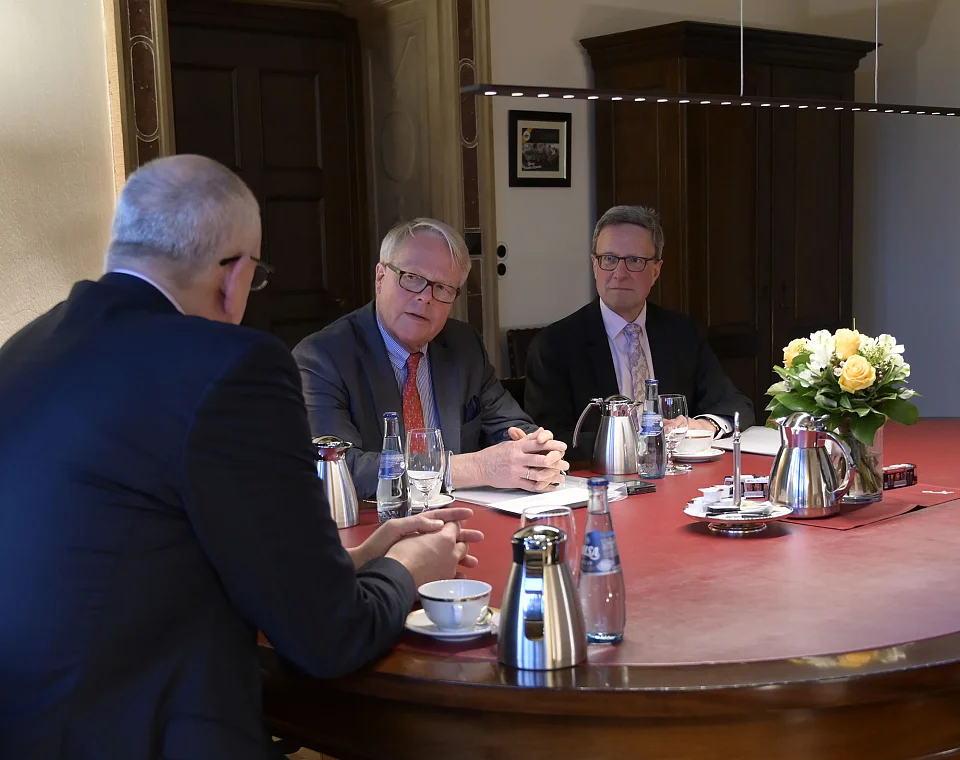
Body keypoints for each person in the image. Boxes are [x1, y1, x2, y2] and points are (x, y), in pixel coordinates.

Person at [0, 155, 483, 760]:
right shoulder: (235, 366)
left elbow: (155, 544)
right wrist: (410, 568)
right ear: (233, 274)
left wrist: (352, 560)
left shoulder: (25, 348)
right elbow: (329, 638)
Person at [293, 218, 569, 500]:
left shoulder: (464, 345)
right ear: (380, 277)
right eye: (412, 278)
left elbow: (512, 428)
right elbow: (337, 467)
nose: (425, 297)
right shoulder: (321, 357)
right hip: (376, 521)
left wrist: (538, 453)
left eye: (443, 288)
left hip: (461, 516)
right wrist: (473, 468)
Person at [525, 205, 754, 459]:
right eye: (609, 259)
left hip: (680, 474)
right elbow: (550, 438)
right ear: (595, 265)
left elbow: (736, 405)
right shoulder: (554, 345)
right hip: (601, 476)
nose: (619, 274)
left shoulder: (682, 333)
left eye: (635, 260)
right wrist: (638, 441)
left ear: (656, 271)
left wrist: (703, 426)